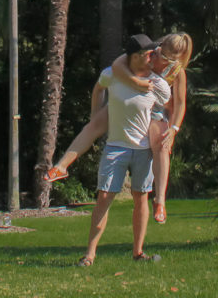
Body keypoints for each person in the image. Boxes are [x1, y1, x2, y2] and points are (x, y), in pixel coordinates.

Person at [45, 32, 193, 224]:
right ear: (161, 45)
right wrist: (136, 82)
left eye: (167, 58)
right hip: (129, 98)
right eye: (161, 54)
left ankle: (160, 200)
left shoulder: (176, 71)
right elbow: (117, 65)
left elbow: (180, 104)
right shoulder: (150, 52)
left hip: (155, 108)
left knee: (162, 144)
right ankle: (61, 166)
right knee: (94, 125)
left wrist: (174, 128)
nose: (161, 59)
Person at [79, 34, 170, 266]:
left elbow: (169, 105)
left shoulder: (157, 83)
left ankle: (138, 252)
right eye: (150, 53)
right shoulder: (113, 75)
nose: (154, 56)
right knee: (104, 197)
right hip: (115, 148)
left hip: (142, 149)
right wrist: (95, 117)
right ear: (137, 56)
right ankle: (89, 254)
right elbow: (98, 88)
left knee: (141, 198)